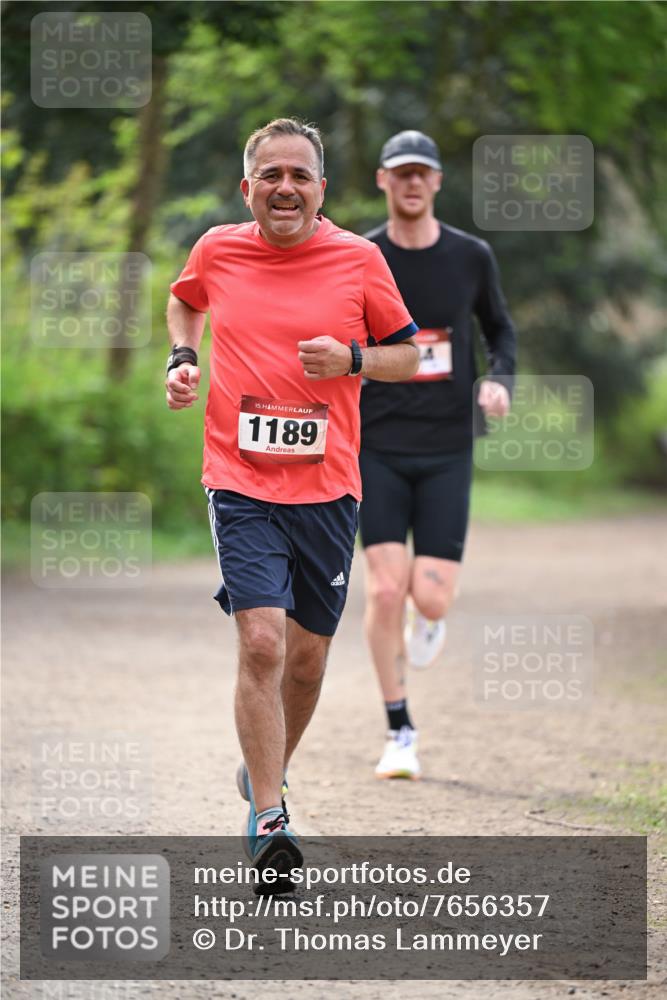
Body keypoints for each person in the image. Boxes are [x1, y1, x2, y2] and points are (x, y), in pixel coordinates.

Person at [165, 118, 419, 878]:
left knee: (306, 659)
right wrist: (183, 357)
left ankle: (261, 775)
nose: (284, 187)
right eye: (269, 175)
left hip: (328, 486)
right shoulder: (217, 248)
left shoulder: (358, 259)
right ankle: (272, 818)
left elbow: (408, 355)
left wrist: (351, 358)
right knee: (263, 643)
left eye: (299, 175)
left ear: (320, 189)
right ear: (248, 189)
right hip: (239, 478)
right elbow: (185, 302)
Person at [359, 130, 516, 780]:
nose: (411, 183)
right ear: (382, 181)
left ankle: (428, 623)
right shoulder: (360, 255)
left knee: (430, 601)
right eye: (400, 174)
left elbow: (498, 328)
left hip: (448, 445)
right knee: (385, 587)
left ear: (437, 182)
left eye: (422, 173)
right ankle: (399, 730)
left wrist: (497, 379)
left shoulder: (470, 255)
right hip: (377, 443)